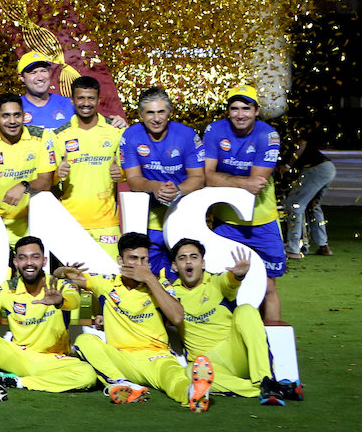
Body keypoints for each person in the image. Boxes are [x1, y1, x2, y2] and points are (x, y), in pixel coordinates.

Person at [61, 232, 214, 411]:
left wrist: (149, 279)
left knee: (174, 378)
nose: (140, 265)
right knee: (85, 341)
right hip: (122, 358)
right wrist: (64, 270)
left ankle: (193, 393)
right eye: (133, 259)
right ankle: (124, 385)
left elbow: (177, 317)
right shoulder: (107, 283)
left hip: (156, 358)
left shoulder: (161, 285)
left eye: (144, 259)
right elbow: (64, 276)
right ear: (120, 260)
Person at [168, 239, 300, 404]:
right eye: (182, 258)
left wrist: (238, 275)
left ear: (202, 263)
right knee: (189, 373)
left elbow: (229, 282)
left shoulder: (216, 281)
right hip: (207, 364)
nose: (188, 261)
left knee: (246, 310)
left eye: (194, 257)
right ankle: (269, 389)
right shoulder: (171, 293)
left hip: (235, 352)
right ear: (174, 266)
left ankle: (264, 378)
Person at [0, 236, 97, 395]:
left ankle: (14, 381)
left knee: (87, 374)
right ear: (16, 262)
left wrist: (60, 302)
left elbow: (74, 301)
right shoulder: (7, 289)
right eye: (23, 258)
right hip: (18, 356)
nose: (29, 262)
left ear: (44, 261)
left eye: (35, 257)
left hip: (51, 360)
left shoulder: (58, 285)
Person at [202, 85, 286, 322]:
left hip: (263, 223)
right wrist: (241, 181)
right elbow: (206, 176)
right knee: (223, 284)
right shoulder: (214, 130)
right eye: (235, 108)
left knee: (268, 287)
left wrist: (224, 179)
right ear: (228, 111)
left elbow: (258, 182)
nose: (240, 114)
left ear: (257, 110)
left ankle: (272, 350)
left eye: (246, 108)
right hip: (226, 224)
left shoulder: (268, 135)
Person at [119, 87, 205, 274]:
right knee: (150, 276)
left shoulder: (187, 136)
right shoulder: (131, 136)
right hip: (149, 220)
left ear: (169, 113)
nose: (156, 118)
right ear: (141, 114)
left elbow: (199, 178)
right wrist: (154, 186)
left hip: (184, 215)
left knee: (185, 278)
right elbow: (133, 180)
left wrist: (178, 190)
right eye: (150, 112)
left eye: (161, 112)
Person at [50, 75, 124, 259]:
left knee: (110, 279)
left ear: (99, 100)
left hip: (107, 223)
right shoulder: (59, 135)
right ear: (72, 101)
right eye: (81, 98)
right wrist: (56, 175)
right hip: (70, 221)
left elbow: (128, 174)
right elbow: (49, 182)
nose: (86, 103)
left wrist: (121, 174)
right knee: (72, 282)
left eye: (91, 98)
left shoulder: (116, 131)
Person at [0, 94, 55, 243]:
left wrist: (24, 185)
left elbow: (46, 182)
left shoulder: (42, 138)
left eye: (17, 115)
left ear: (24, 115)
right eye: (6, 116)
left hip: (34, 224)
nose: (12, 121)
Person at [282, 124, 336, 258]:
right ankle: (323, 246)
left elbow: (302, 146)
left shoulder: (294, 143)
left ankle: (293, 249)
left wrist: (288, 165)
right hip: (327, 168)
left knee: (294, 205)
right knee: (313, 206)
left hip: (315, 169)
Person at [14, 51, 76, 129]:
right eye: (33, 73)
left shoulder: (69, 104)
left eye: (43, 71)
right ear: (21, 77)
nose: (40, 77)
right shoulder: (14, 108)